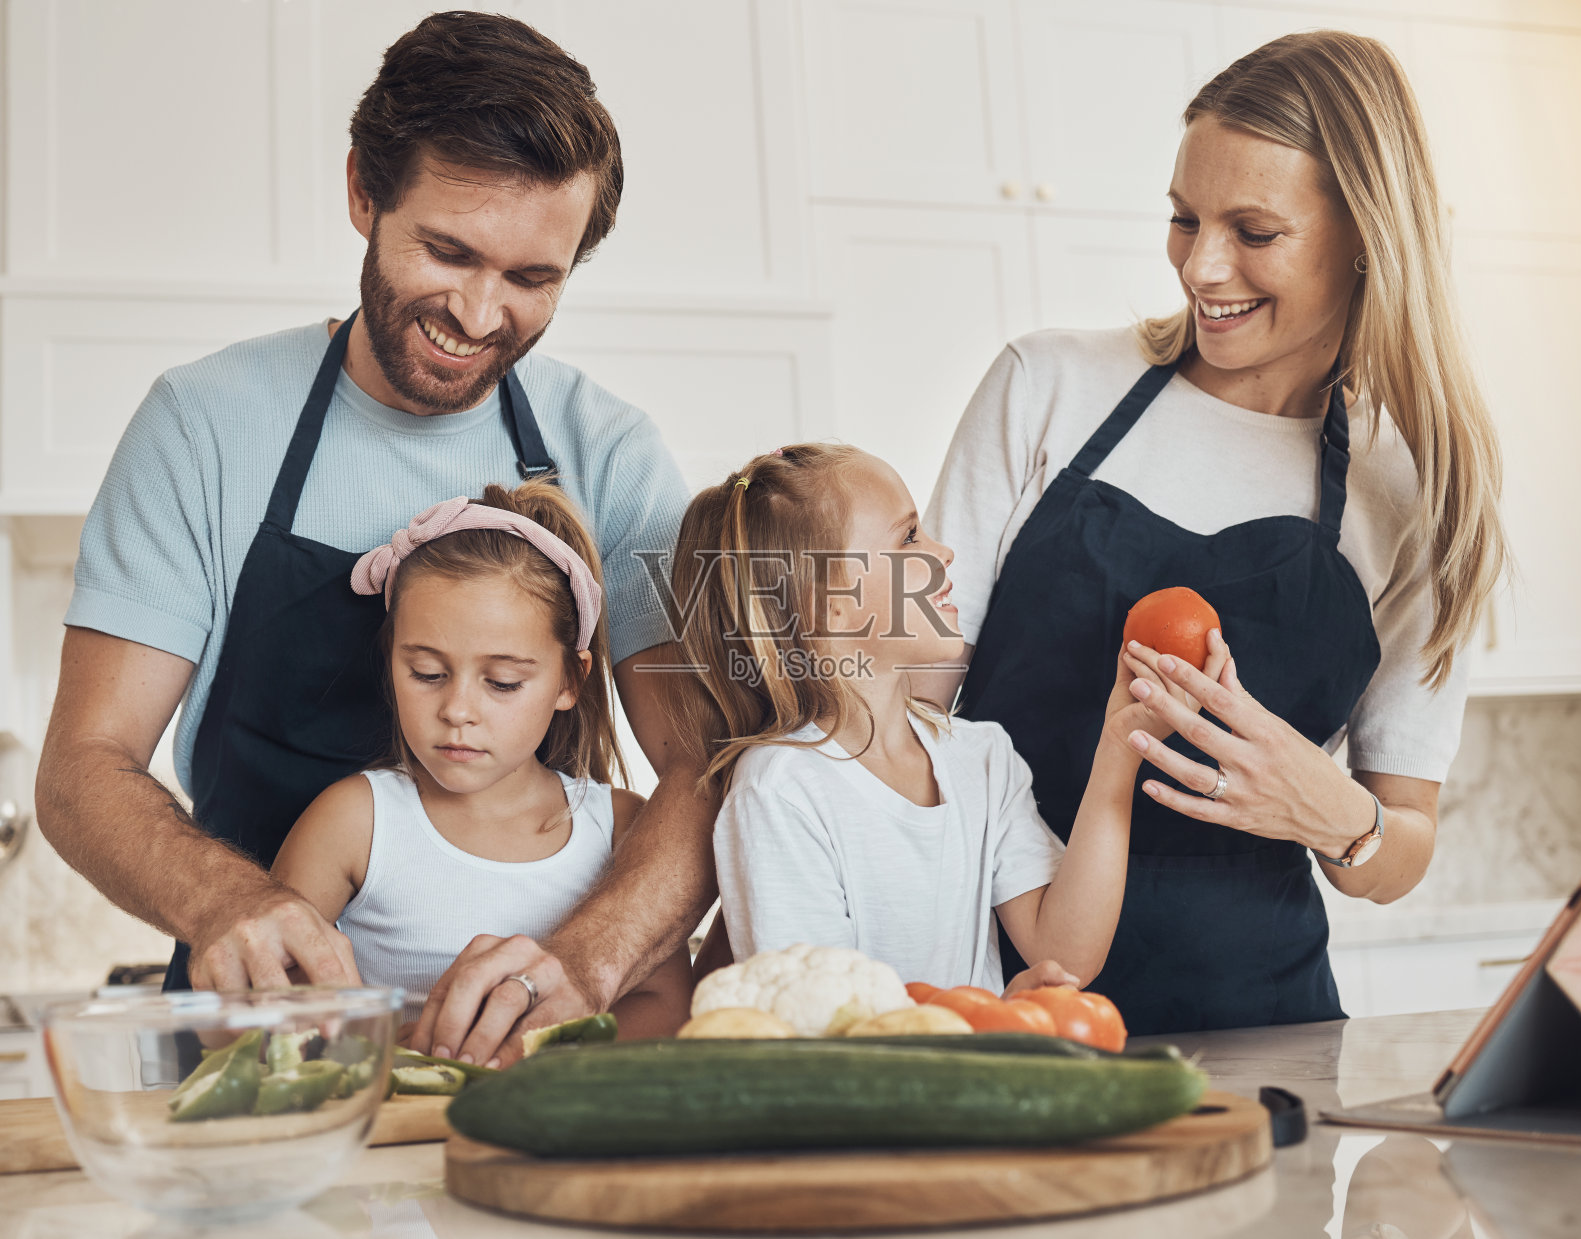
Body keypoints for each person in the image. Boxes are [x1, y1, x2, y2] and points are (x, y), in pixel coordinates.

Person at [35, 12, 713, 1067]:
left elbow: (697, 773)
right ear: (363, 192)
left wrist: (586, 962)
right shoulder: (206, 423)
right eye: (449, 251)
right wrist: (231, 904)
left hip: (529, 1062)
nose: (481, 314)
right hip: (256, 1029)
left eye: (533, 279)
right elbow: (84, 767)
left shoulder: (612, 455)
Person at [919, 32, 1506, 1033]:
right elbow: (908, 728)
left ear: (1365, 236)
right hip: (1001, 992)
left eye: (1254, 230)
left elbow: (1400, 846)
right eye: (1183, 219)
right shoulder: (1045, 387)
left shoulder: (1415, 494)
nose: (1202, 264)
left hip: (1260, 1021)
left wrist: (1330, 811)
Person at [668, 444, 1229, 992]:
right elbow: (821, 1028)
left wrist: (1122, 744)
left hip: (964, 1079)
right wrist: (986, 1024)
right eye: (909, 536)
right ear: (831, 602)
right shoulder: (779, 791)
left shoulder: (981, 757)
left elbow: (1066, 955)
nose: (945, 553)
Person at [272, 482, 691, 1046]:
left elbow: (665, 1008)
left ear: (570, 680)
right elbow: (261, 1003)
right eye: (425, 673)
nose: (457, 711)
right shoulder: (352, 822)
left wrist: (529, 1056)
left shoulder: (620, 828)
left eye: (503, 683)